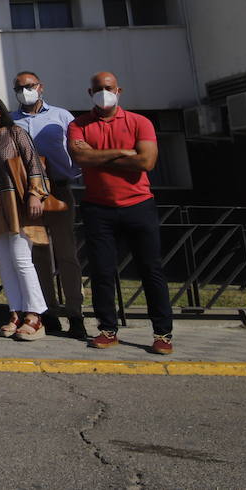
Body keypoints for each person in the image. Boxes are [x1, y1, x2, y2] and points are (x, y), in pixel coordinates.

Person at [68, 71, 172, 355]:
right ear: (90, 93)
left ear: (119, 90)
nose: (104, 92)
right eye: (98, 88)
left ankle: (162, 333)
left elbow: (146, 161)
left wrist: (99, 156)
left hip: (139, 205)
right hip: (98, 207)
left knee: (151, 270)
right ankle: (107, 328)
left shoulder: (140, 122)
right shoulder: (78, 125)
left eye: (109, 87)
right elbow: (80, 157)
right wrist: (124, 153)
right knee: (102, 271)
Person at [11, 70, 87, 339]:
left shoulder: (62, 116)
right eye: (19, 87)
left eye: (29, 86)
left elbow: (77, 150)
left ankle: (75, 313)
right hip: (28, 196)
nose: (25, 91)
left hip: (58, 191)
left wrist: (68, 176)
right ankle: (47, 312)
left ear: (40, 87)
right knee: (39, 255)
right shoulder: (12, 121)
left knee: (66, 254)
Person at [0, 93, 49, 341]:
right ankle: (14, 311)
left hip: (16, 202)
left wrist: (35, 194)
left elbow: (33, 162)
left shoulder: (15, 133)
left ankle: (34, 315)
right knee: (4, 262)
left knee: (22, 259)